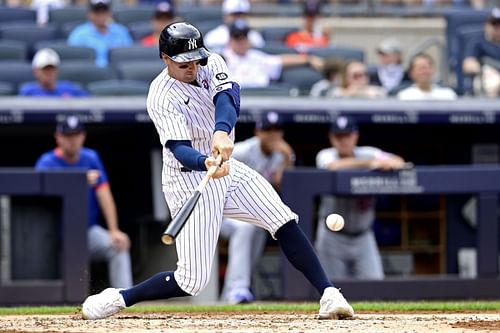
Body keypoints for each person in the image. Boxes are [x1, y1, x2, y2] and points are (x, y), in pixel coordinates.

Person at [81, 21, 353, 321]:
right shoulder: (160, 96)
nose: (193, 66)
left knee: (282, 218)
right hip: (188, 179)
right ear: (165, 58)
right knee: (191, 281)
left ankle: (329, 294)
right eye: (184, 62)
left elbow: (228, 99)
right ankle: (120, 297)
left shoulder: (211, 61)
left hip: (228, 168)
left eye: (196, 59)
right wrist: (204, 162)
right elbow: (179, 149)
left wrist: (222, 131)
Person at [35, 115, 133, 289]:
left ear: (83, 136)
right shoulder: (47, 161)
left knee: (118, 245)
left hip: (87, 231)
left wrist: (114, 230)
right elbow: (40, 193)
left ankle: (124, 297)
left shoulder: (91, 158)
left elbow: (104, 195)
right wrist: (78, 180)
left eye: (76, 135)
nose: (72, 140)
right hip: (53, 235)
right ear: (58, 137)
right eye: (67, 135)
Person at [314, 116, 406, 280]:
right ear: (331, 138)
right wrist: (370, 164)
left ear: (355, 136)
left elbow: (399, 161)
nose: (344, 141)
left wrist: (386, 164)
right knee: (331, 288)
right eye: (339, 136)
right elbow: (334, 167)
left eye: (347, 135)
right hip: (332, 237)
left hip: (363, 236)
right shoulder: (326, 155)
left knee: (375, 285)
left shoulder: (368, 152)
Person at [219, 111, 295, 304]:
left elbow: (282, 186)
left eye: (277, 130)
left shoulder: (282, 155)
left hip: (249, 216)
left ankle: (232, 294)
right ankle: (237, 290)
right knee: (246, 227)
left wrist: (287, 160)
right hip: (221, 211)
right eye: (267, 130)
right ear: (258, 132)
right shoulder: (242, 151)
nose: (272, 136)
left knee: (255, 231)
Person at [222, 19, 324, 88]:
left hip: (261, 101)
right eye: (237, 38)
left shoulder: (256, 57)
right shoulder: (221, 59)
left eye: (244, 37)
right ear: (230, 40)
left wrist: (308, 59)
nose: (241, 41)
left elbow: (281, 60)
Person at [67, 0, 133, 67]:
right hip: (91, 73)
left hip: (115, 72)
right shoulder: (79, 34)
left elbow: (128, 56)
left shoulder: (121, 31)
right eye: (97, 12)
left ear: (110, 13)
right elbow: (75, 61)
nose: (101, 16)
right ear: (89, 14)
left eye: (104, 12)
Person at [19, 48, 89, 97]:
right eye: (45, 69)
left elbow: (88, 104)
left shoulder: (70, 89)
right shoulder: (28, 92)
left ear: (57, 71)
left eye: (52, 69)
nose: (49, 73)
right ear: (35, 71)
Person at [462, 7, 500, 97]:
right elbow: (468, 65)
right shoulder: (477, 42)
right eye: (494, 24)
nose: (497, 28)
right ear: (486, 25)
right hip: (488, 77)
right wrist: (479, 67)